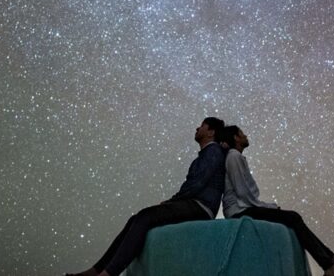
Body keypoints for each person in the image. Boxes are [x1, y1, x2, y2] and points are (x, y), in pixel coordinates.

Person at [66, 117, 226, 276]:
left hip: (200, 207)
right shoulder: (206, 154)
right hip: (194, 204)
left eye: (202, 126)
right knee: (135, 219)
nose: (197, 128)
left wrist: (172, 201)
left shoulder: (213, 151)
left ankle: (107, 273)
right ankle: (96, 270)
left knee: (145, 217)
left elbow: (197, 183)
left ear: (211, 132)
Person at [219, 125, 334, 276]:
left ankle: (332, 262)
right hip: (239, 210)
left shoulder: (236, 157)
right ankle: (330, 265)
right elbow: (243, 193)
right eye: (242, 134)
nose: (246, 136)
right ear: (235, 138)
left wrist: (267, 207)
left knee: (293, 218)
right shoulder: (234, 156)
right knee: (293, 217)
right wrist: (268, 206)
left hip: (244, 207)